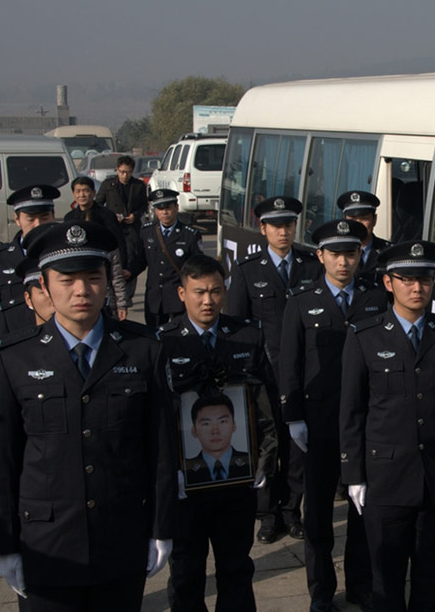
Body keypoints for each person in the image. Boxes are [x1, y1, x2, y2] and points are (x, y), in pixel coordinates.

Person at [0, 220, 176, 611]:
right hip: (47, 545)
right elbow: (0, 459)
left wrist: (162, 528)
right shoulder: (12, 358)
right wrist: (3, 543)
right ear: (45, 286)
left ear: (108, 281)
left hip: (120, 539)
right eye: (67, 280)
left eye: (92, 277)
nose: (81, 290)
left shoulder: (144, 352)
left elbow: (161, 448)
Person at [277, 219, 388, 612]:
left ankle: (360, 585)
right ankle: (321, 591)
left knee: (363, 509)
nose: (344, 261)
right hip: (319, 423)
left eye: (351, 252)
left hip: (364, 421)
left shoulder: (376, 299)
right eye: (336, 253)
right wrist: (293, 416)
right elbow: (288, 363)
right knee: (319, 514)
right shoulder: (302, 301)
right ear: (320, 256)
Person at [340, 240, 435, 612]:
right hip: (386, 479)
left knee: (433, 578)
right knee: (385, 582)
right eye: (407, 279)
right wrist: (353, 473)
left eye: (425, 279)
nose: (417, 288)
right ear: (389, 283)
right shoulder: (364, 336)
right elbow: (352, 411)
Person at [158, 254, 278, 612]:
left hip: (235, 482)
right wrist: (168, 472)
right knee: (186, 571)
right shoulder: (162, 342)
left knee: (237, 567)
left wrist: (264, 459)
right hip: (186, 485)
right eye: (198, 292)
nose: (207, 300)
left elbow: (267, 406)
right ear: (182, 294)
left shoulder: (246, 334)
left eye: (215, 291)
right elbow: (157, 416)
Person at [226, 195, 322, 543]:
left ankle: (290, 510)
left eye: (289, 225)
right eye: (276, 226)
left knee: (297, 448)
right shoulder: (248, 270)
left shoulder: (311, 266)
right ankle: (266, 514)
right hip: (264, 374)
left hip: (303, 374)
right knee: (267, 446)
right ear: (262, 229)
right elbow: (236, 325)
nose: (284, 232)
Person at [0, 185, 59, 353]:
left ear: (53, 215)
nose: (38, 224)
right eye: (30, 218)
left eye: (44, 217)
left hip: (60, 344)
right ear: (17, 219)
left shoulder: (66, 254)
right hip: (15, 347)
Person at [128, 188, 203, 327]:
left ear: (176, 208)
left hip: (178, 297)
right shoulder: (147, 232)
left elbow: (198, 266)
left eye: (168, 208)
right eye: (160, 209)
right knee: (154, 337)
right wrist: (128, 272)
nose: (164, 212)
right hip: (155, 297)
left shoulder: (190, 235)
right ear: (155, 211)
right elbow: (140, 260)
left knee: (181, 336)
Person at [65, 175, 130, 319]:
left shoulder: (106, 215)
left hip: (104, 269)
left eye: (86, 191)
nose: (82, 195)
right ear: (74, 194)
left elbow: (118, 241)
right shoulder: (69, 218)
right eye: (78, 191)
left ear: (93, 193)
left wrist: (123, 265)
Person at [95, 155, 148, 302]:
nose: (125, 175)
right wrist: (111, 216)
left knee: (131, 259)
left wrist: (135, 216)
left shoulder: (138, 186)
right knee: (115, 259)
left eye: (128, 172)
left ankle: (128, 294)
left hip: (131, 229)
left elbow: (144, 206)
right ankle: (113, 294)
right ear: (117, 170)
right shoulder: (108, 185)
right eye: (122, 172)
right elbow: (99, 204)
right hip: (113, 229)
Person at [183, 394, 253, 486]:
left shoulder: (251, 463)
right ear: (194, 431)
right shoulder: (186, 470)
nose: (215, 431)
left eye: (222, 421)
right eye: (206, 424)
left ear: (234, 425)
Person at [337, 190, 391, 288]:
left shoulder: (390, 253)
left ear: (374, 220)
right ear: (344, 220)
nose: (359, 225)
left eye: (364, 219)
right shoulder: (332, 253)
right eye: (352, 219)